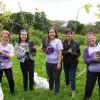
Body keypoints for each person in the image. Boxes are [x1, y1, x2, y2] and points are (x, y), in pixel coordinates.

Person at [42, 27, 63, 95]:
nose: (51, 33)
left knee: (56, 78)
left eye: (53, 32)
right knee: (50, 77)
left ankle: (57, 92)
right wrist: (43, 48)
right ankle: (51, 89)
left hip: (56, 63)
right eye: (50, 32)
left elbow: (60, 52)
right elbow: (44, 51)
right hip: (48, 62)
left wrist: (59, 63)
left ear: (55, 33)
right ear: (48, 34)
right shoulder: (46, 41)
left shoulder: (58, 41)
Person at [62, 28, 80, 97]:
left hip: (73, 63)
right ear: (65, 35)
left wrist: (73, 53)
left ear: (71, 35)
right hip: (65, 63)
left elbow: (79, 54)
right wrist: (67, 52)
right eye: (66, 34)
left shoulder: (76, 43)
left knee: (72, 77)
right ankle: (67, 84)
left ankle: (73, 91)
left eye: (69, 34)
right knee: (66, 76)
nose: (68, 36)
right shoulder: (63, 43)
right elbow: (62, 53)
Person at [83, 32, 100, 100]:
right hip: (91, 72)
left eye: (92, 38)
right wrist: (92, 59)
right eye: (89, 39)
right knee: (89, 86)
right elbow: (86, 61)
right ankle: (87, 98)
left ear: (95, 38)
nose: (90, 40)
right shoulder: (86, 49)